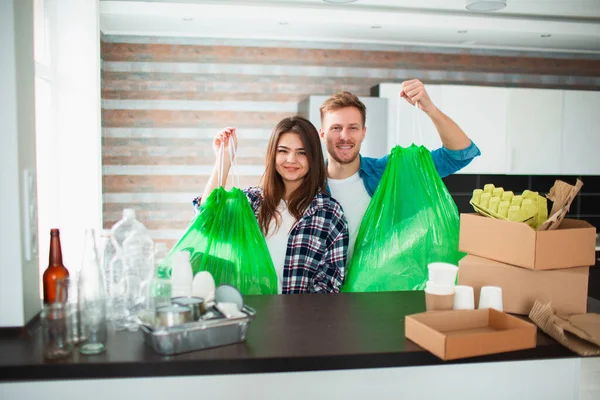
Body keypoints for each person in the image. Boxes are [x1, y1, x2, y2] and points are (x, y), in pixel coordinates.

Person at [319, 79, 481, 260]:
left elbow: (460, 154)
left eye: (353, 128)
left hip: (375, 287)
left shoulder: (389, 173)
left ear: (363, 132)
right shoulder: (308, 185)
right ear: (323, 134)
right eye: (336, 128)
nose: (344, 136)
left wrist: (430, 109)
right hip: (323, 287)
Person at [195, 116, 349, 294]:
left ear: (313, 157)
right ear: (272, 154)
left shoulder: (329, 213)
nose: (291, 159)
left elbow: (329, 286)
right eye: (283, 151)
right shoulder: (250, 203)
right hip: (249, 313)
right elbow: (206, 222)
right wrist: (223, 160)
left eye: (302, 152)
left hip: (301, 319)